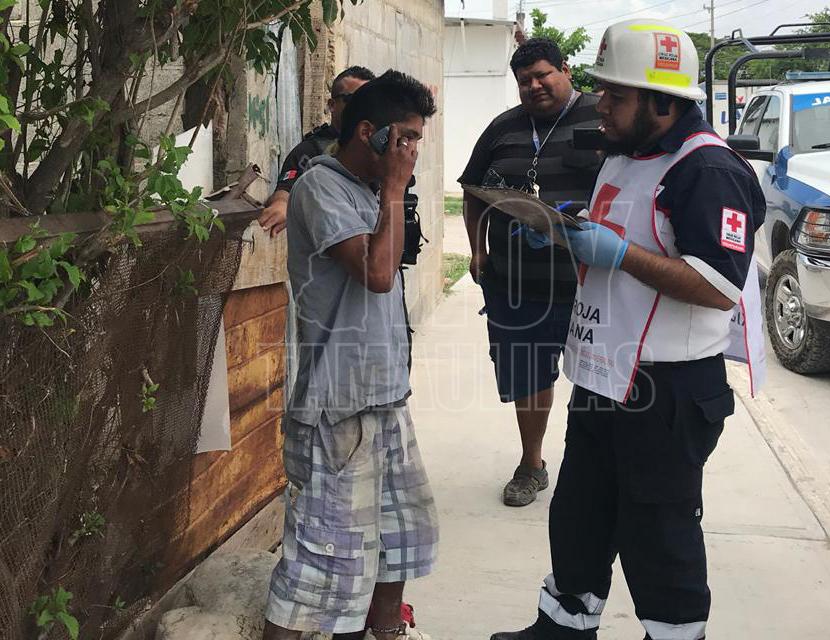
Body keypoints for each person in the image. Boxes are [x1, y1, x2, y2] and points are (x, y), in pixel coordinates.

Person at [491, 19, 765, 640]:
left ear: (663, 103)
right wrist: (569, 228)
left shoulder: (708, 171)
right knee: (579, 515)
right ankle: (563, 626)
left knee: (657, 533)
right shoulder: (625, 152)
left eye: (616, 95)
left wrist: (618, 254)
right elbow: (621, 226)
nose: (602, 106)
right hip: (602, 376)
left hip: (664, 390)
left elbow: (718, 286)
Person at [263, 70, 438, 640]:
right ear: (368, 132)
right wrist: (395, 188)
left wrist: (391, 190)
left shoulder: (371, 189)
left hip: (384, 397)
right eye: (405, 138)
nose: (412, 152)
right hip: (337, 408)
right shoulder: (321, 187)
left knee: (398, 540)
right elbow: (378, 275)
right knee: (318, 571)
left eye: (417, 140)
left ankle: (384, 632)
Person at [458, 38, 602, 507]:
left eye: (543, 75)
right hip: (517, 284)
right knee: (529, 377)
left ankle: (597, 467)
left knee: (600, 379)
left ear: (566, 70)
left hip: (591, 283)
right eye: (525, 81)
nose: (535, 86)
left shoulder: (602, 117)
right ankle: (531, 464)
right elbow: (473, 191)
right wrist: (477, 250)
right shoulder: (503, 128)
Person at [258, 66, 376, 237]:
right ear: (332, 105)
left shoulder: (378, 147)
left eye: (368, 101)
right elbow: (285, 190)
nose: (361, 108)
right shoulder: (311, 150)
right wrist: (281, 205)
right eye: (352, 100)